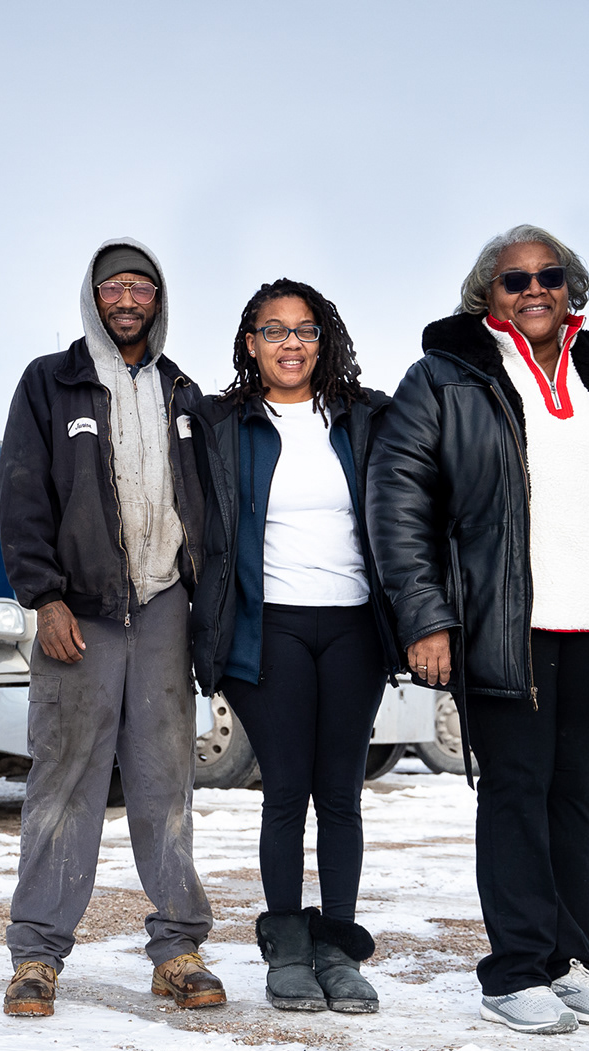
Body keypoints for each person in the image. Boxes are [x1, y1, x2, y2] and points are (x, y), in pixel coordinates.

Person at [366, 226, 589, 1035]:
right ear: (485, 292)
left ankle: (570, 961)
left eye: (549, 276)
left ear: (572, 287)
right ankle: (515, 970)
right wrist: (427, 617)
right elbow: (398, 502)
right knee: (516, 795)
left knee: (575, 798)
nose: (534, 290)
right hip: (502, 627)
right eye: (514, 278)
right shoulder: (445, 377)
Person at [0, 238, 220, 1017]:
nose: (128, 299)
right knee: (65, 785)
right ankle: (36, 955)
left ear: (159, 300)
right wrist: (44, 598)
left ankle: (179, 947)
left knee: (166, 787)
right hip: (80, 615)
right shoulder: (50, 383)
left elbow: (209, 508)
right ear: (92, 296)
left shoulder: (184, 392)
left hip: (165, 610)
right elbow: (21, 494)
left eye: (142, 288)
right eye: (114, 287)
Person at [188, 279, 397, 1013]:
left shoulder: (364, 418)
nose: (290, 344)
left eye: (304, 330)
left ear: (324, 339)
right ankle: (287, 951)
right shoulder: (221, 423)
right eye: (274, 331)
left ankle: (338, 949)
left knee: (340, 794)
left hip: (353, 627)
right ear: (251, 343)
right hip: (267, 626)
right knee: (286, 791)